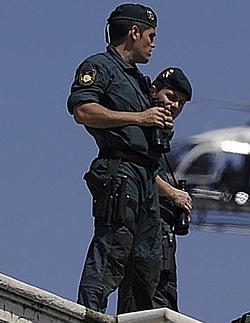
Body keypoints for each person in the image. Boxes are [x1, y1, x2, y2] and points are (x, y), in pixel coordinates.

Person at [66, 4, 189, 313]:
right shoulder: (101, 67)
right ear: (134, 33)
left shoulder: (138, 81)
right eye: (150, 35)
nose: (153, 43)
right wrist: (140, 117)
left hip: (146, 177)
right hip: (120, 170)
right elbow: (83, 111)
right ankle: (90, 314)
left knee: (147, 263)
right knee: (113, 247)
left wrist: (158, 122)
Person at [117, 67, 193, 313]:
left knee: (164, 298)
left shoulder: (161, 135)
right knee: (141, 299)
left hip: (163, 233)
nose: (174, 106)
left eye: (180, 103)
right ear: (154, 91)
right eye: (170, 97)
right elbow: (142, 171)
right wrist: (173, 194)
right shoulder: (142, 124)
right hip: (147, 226)